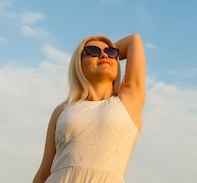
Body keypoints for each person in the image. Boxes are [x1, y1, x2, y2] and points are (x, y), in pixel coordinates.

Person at [33, 33, 146, 183]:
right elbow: (43, 173)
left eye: (111, 52)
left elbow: (134, 40)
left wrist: (101, 55)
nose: (105, 55)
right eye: (93, 51)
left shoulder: (128, 101)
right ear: (78, 63)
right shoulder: (62, 111)